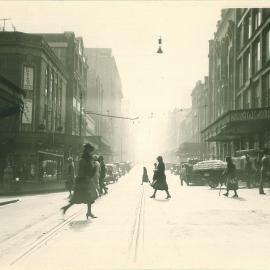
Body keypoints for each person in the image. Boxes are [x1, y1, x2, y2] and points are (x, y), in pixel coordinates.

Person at [61, 143, 98, 219]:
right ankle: (67, 208)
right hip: (83, 181)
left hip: (84, 180)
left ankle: (88, 212)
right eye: (90, 151)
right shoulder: (84, 160)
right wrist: (87, 176)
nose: (91, 152)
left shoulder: (87, 159)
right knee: (82, 197)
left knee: (85, 197)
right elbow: (82, 171)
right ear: (87, 150)